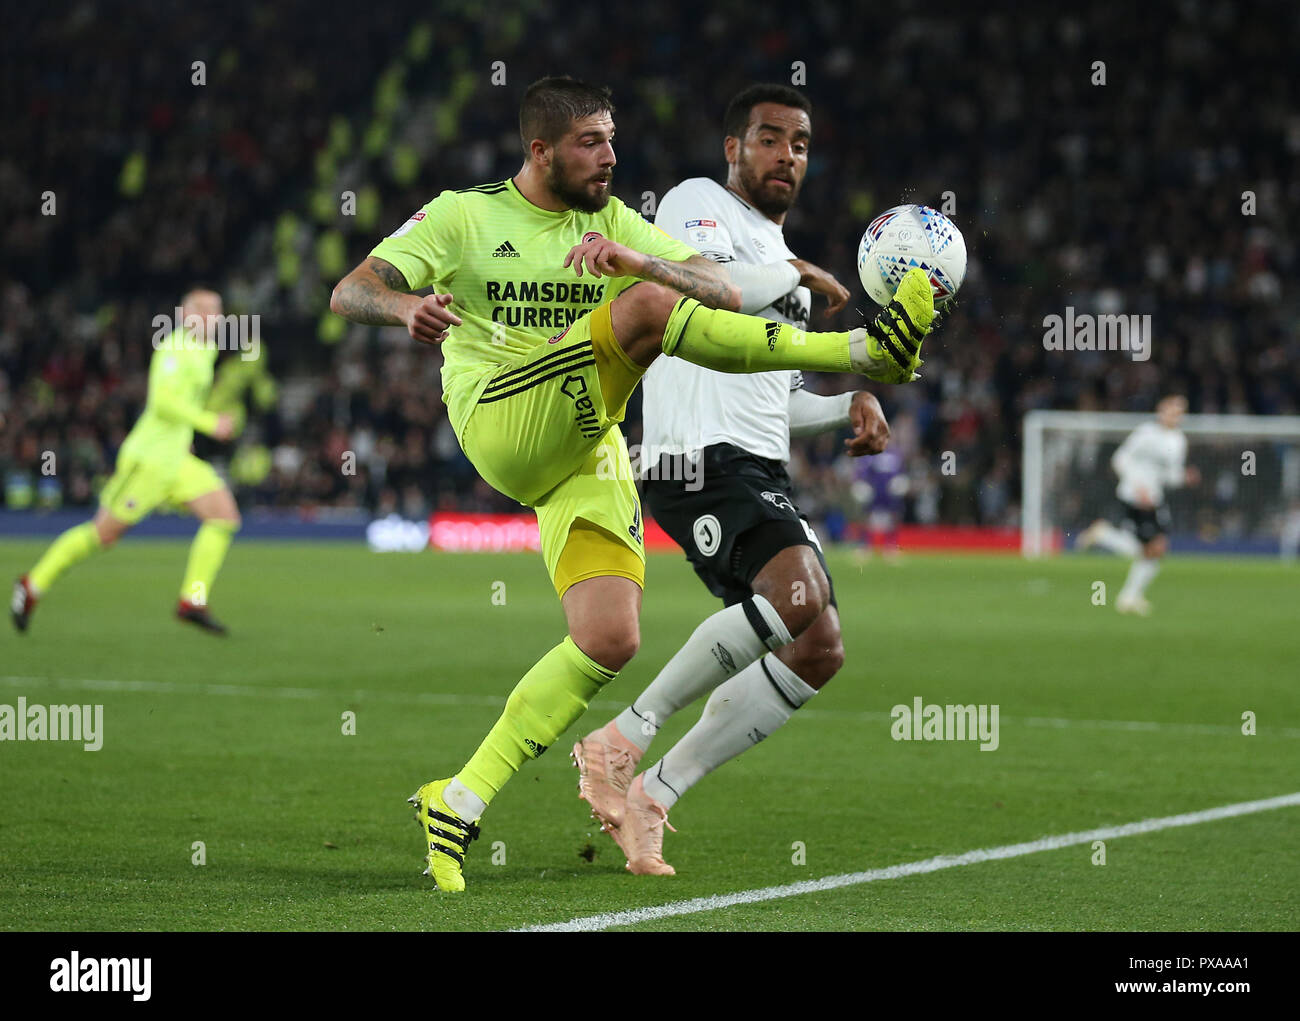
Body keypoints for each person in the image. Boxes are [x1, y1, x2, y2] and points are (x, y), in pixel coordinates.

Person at [329, 76, 936, 892]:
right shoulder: (463, 215)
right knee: (650, 307)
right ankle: (864, 352)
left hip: (586, 447)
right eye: (591, 142)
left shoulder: (613, 223)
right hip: (505, 417)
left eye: (613, 138)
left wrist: (785, 267)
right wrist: (402, 308)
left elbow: (716, 291)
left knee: (609, 638)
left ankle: (459, 798)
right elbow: (349, 289)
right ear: (540, 150)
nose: (611, 155)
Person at [571, 84, 892, 875]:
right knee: (797, 597)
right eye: (770, 139)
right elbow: (708, 282)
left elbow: (777, 399)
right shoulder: (696, 204)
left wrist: (848, 404)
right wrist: (791, 271)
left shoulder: (783, 268)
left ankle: (654, 792)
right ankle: (620, 738)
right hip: (692, 456)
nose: (787, 155)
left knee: (818, 647)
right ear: (733, 149)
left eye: (802, 143)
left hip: (754, 461)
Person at [12, 289, 241, 635]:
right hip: (148, 460)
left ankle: (192, 599)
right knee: (103, 534)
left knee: (223, 517)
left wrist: (185, 438)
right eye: (206, 311)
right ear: (185, 315)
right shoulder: (174, 348)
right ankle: (32, 586)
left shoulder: (206, 350)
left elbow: (179, 404)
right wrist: (210, 423)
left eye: (218, 311)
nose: (215, 318)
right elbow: (163, 401)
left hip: (176, 458)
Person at [1077, 395, 1199, 614]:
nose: (1176, 416)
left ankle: (1106, 540)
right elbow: (1120, 459)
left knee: (1151, 550)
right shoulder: (1146, 433)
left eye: (1180, 412)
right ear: (1161, 410)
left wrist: (1184, 478)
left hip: (1153, 498)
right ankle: (1128, 593)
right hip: (1133, 497)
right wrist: (1137, 486)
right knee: (1154, 548)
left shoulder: (1179, 441)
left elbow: (1169, 476)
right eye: (1172, 411)